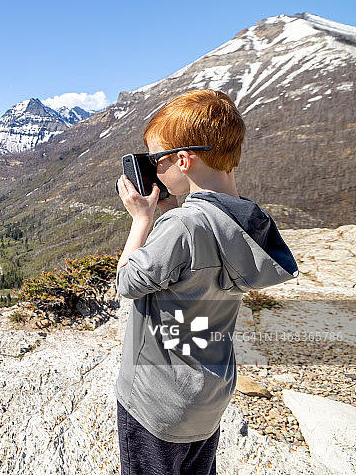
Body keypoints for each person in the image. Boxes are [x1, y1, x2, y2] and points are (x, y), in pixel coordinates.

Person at [114, 89, 298, 475]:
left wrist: (142, 220)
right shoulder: (245, 223)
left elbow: (128, 281)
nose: (153, 170)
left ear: (183, 160)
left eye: (155, 160)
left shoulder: (181, 226)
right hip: (208, 397)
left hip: (158, 402)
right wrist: (172, 210)